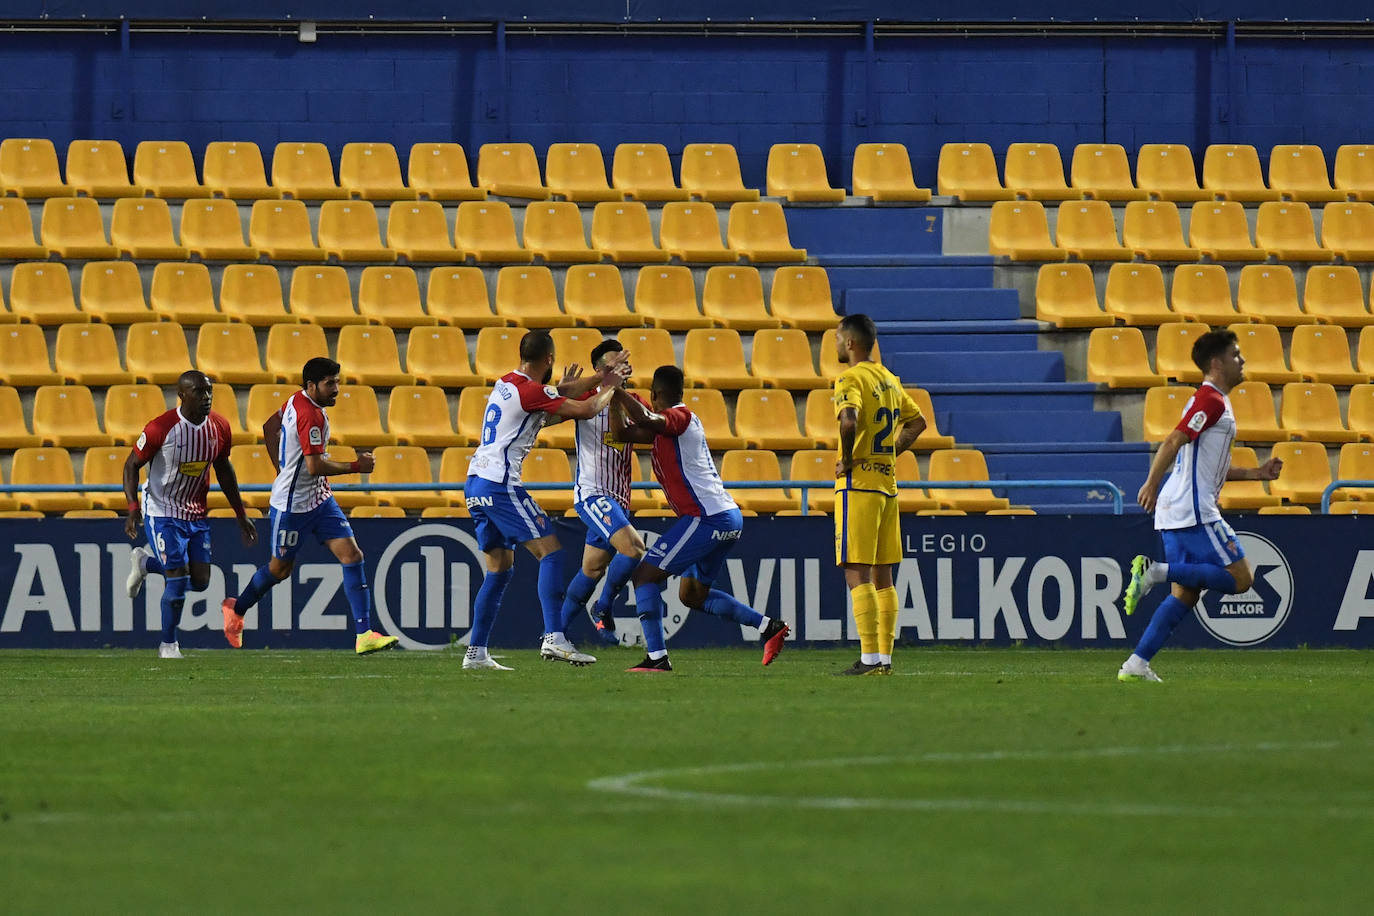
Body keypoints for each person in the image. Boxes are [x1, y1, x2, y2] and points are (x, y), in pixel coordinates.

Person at [1119, 328, 1282, 683]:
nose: (1242, 361)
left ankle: (1136, 664)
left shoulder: (1213, 402)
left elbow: (1210, 468)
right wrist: (1150, 482)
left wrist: (1257, 473)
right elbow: (1174, 439)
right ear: (1216, 362)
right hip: (1193, 511)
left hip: (1175, 510)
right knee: (1241, 579)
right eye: (1236, 355)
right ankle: (1154, 571)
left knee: (1185, 593)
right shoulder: (1210, 401)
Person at [462, 330, 630, 671]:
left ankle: (476, 653)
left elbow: (557, 394)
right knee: (551, 553)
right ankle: (556, 637)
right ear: (549, 359)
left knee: (499, 569)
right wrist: (611, 384)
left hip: (475, 483)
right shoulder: (533, 392)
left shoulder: (508, 382)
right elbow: (585, 409)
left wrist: (598, 377)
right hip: (501, 485)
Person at [611, 365, 790, 673]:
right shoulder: (667, 427)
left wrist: (616, 389)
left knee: (644, 577)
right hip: (724, 517)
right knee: (692, 595)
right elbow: (621, 433)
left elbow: (643, 418)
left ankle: (657, 658)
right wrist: (615, 399)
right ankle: (768, 627)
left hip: (707, 518)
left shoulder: (680, 417)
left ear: (656, 395)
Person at [219, 357, 398, 655]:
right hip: (292, 507)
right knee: (280, 570)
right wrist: (356, 465)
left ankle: (364, 634)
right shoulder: (310, 416)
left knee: (352, 555)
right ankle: (236, 609)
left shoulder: (296, 400)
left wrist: (282, 467)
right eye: (330, 384)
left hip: (320, 499)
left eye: (337, 382)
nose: (336, 389)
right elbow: (314, 466)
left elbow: (269, 426)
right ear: (311, 385)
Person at [123, 370, 257, 659]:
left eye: (209, 391)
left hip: (195, 514)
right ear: (182, 395)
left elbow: (223, 468)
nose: (206, 397)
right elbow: (131, 465)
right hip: (161, 510)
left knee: (200, 581)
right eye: (199, 392)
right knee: (177, 579)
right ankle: (169, 646)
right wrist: (133, 508)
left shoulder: (219, 426)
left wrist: (240, 513)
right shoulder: (161, 427)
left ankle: (145, 563)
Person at [830, 314, 926, 676]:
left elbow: (849, 420)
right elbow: (917, 423)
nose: (837, 344)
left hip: (859, 487)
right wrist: (890, 452)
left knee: (857, 573)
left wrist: (850, 461)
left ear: (851, 342)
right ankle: (884, 659)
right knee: (883, 576)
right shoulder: (888, 378)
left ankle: (868, 659)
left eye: (839, 338)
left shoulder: (850, 378)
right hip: (888, 487)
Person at [556, 339, 649, 647]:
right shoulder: (586, 398)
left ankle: (554, 633)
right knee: (634, 550)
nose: (622, 367)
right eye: (613, 364)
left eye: (624, 361)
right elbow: (557, 401)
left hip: (619, 500)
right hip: (593, 494)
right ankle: (604, 607)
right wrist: (569, 389)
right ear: (599, 370)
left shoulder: (633, 401)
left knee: (592, 568)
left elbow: (653, 429)